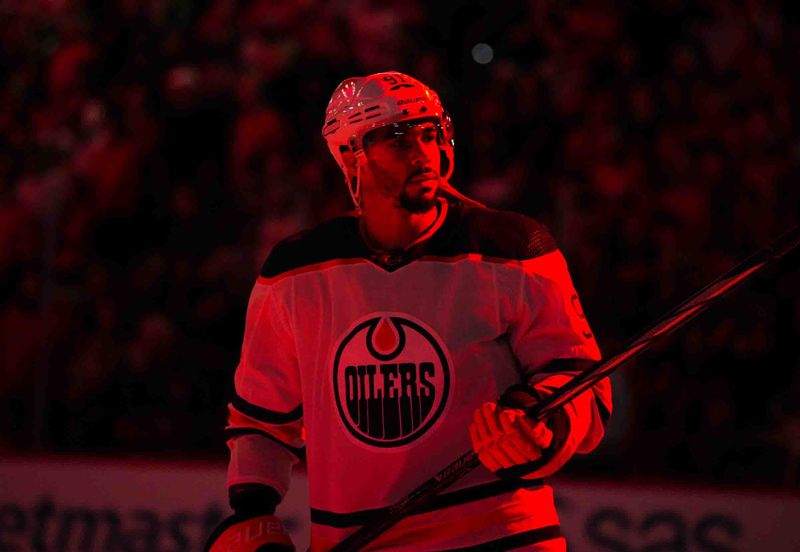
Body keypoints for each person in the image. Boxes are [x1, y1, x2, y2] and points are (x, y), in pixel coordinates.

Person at [205, 71, 612, 552]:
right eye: (398, 140)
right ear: (351, 156)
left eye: (431, 134)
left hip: (503, 534)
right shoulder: (295, 272)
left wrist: (539, 421)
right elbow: (261, 417)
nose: (425, 154)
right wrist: (252, 511)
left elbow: (585, 384)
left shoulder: (515, 248)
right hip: (358, 542)